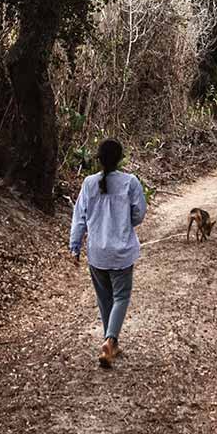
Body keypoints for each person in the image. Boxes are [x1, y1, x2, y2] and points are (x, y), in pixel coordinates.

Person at [68, 138, 148, 369]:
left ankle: (109, 341)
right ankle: (110, 340)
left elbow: (79, 218)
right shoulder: (130, 182)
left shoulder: (88, 183)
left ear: (99, 159)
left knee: (104, 298)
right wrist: (124, 223)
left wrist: (74, 247)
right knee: (121, 297)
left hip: (97, 253)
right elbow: (139, 214)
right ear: (120, 158)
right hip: (121, 251)